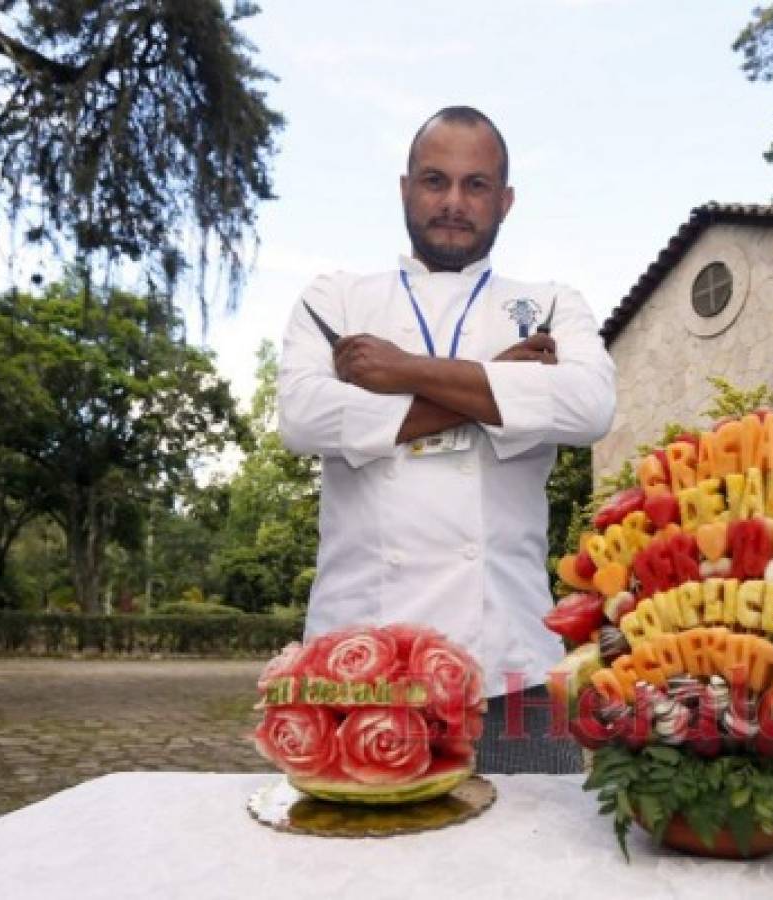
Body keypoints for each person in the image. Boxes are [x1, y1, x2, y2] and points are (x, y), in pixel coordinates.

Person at [278, 106, 616, 772]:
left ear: (505, 200)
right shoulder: (336, 299)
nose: (454, 202)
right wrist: (499, 386)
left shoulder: (550, 303)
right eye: (435, 181)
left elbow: (587, 407)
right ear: (405, 188)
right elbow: (303, 418)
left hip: (512, 667)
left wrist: (399, 372)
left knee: (531, 869)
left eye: (476, 184)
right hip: (357, 665)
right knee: (354, 874)